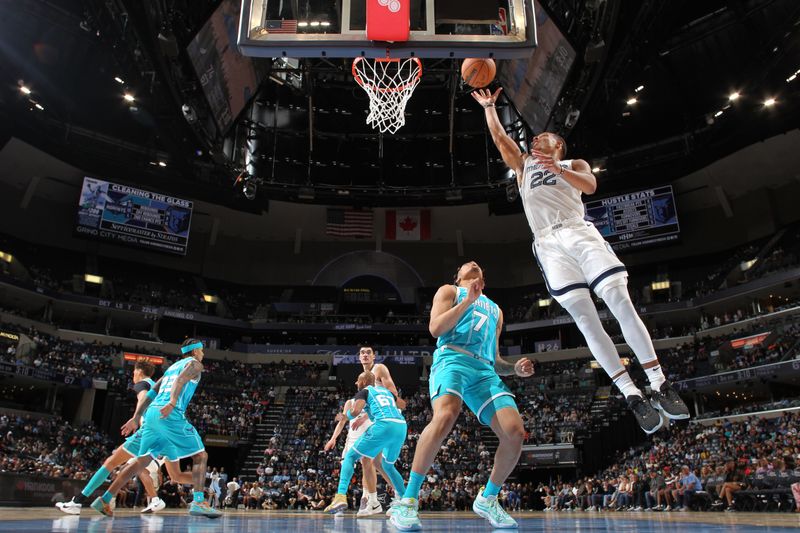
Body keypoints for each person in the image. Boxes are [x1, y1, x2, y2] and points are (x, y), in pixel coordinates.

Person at [473, 87, 690, 434]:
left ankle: (659, 382)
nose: (536, 138)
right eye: (535, 137)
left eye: (544, 136)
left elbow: (589, 186)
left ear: (557, 145)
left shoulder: (572, 163)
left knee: (619, 301)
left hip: (579, 233)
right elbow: (501, 141)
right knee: (586, 320)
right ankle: (631, 393)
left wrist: (558, 170)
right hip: (547, 244)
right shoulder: (524, 165)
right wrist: (489, 108)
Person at [391, 261, 534, 531]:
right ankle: (408, 501)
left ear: (484, 279)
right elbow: (435, 329)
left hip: (484, 370)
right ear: (458, 278)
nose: (473, 263)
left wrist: (513, 368)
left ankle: (488, 498)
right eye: (465, 266)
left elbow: (496, 357)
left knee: (515, 432)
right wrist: (467, 301)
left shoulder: (496, 310)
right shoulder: (449, 292)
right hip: (453, 358)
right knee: (446, 414)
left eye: (478, 265)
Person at [88, 339, 221, 518]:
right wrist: (173, 402)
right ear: (195, 351)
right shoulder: (195, 364)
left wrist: (136, 418)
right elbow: (181, 381)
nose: (203, 354)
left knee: (141, 460)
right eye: (202, 350)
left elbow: (151, 394)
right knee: (200, 455)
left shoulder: (170, 368)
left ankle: (105, 499)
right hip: (170, 414)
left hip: (151, 414)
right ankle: (198, 501)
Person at [55, 359, 191, 515]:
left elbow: (143, 398)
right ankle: (140, 500)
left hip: (150, 431)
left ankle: (77, 502)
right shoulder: (156, 384)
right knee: (139, 469)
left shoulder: (142, 383)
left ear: (139, 371)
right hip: (164, 433)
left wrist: (135, 418)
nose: (133, 375)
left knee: (110, 463)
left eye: (134, 372)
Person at [324, 371, 408, 515]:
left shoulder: (364, 391)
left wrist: (344, 416)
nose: (356, 383)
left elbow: (356, 411)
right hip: (400, 426)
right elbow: (403, 405)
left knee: (350, 457)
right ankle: (406, 501)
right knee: (387, 465)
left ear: (362, 382)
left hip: (383, 426)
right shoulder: (384, 391)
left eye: (357, 381)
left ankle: (340, 496)